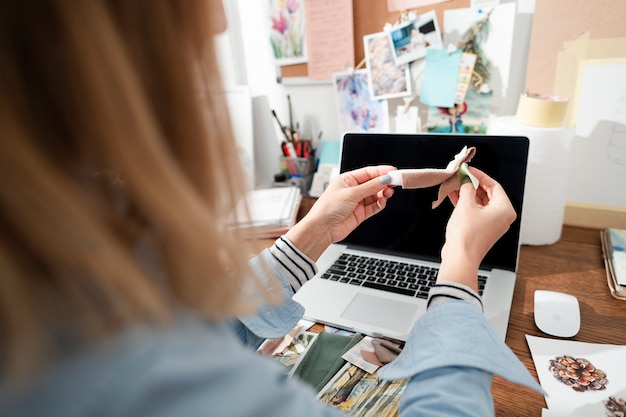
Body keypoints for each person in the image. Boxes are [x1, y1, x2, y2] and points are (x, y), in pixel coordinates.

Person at [0, 1, 542, 416]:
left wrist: (310, 235)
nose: (215, 26)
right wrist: (460, 264)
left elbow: (192, 328)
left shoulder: (71, 248)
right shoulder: (108, 363)